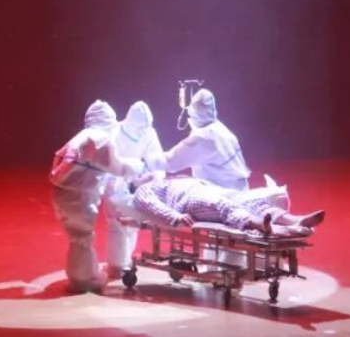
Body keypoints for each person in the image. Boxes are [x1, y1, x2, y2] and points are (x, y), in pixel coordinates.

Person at [49, 100, 144, 293]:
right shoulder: (99, 140)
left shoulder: (81, 137)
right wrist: (138, 166)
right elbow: (116, 167)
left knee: (78, 237)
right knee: (82, 238)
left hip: (62, 194)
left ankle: (84, 274)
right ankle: (82, 278)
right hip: (78, 197)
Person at [130, 173, 325, 238]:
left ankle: (296, 220)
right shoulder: (143, 190)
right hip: (186, 200)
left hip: (207, 189)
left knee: (251, 201)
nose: (146, 173)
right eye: (140, 175)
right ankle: (260, 225)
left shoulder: (169, 179)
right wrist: (175, 216)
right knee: (222, 205)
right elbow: (152, 206)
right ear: (136, 183)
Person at [102, 101, 167, 278]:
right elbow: (111, 163)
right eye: (139, 128)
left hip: (136, 181)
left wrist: (154, 176)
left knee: (133, 223)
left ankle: (125, 260)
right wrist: (125, 177)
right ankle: (116, 265)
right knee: (118, 222)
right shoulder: (115, 133)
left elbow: (156, 158)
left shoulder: (149, 132)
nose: (142, 132)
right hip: (115, 181)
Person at [162, 88, 249, 190]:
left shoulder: (202, 138)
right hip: (240, 190)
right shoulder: (220, 129)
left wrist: (148, 158)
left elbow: (170, 162)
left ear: (193, 113)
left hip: (222, 194)